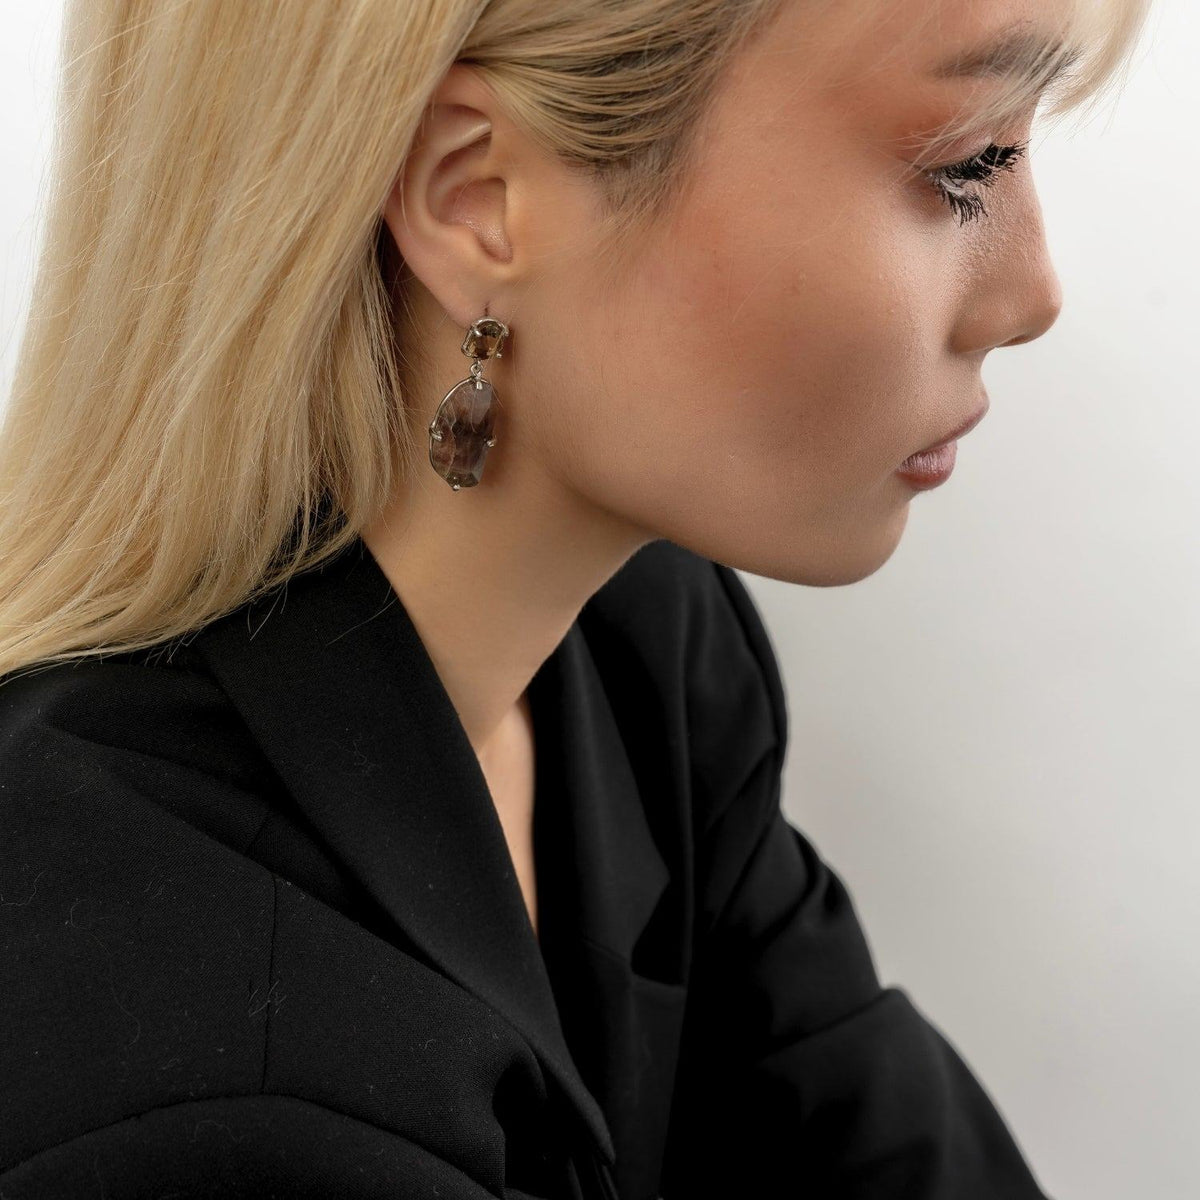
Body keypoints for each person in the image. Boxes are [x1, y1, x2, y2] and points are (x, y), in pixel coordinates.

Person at [0, 0, 1151, 1197]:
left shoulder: (640, 652)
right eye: (968, 162)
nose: (1033, 294)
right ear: (476, 196)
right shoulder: (195, 1074)